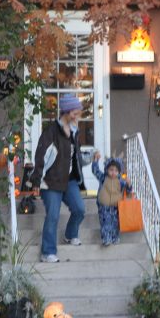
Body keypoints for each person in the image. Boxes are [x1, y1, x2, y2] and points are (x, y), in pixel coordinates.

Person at [29, 94, 86, 263]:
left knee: (79, 209)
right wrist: (36, 181)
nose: (77, 117)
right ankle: (48, 252)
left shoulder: (75, 131)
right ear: (67, 112)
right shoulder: (51, 132)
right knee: (53, 216)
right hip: (52, 181)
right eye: (75, 113)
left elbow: (75, 155)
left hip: (69, 180)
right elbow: (41, 156)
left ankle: (70, 234)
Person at [91, 152, 131, 246]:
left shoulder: (120, 181)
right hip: (104, 206)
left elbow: (128, 192)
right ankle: (106, 238)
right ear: (107, 169)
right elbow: (95, 171)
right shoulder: (103, 177)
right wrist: (95, 161)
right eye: (111, 170)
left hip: (115, 206)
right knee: (105, 223)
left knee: (115, 223)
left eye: (116, 171)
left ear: (119, 172)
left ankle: (115, 237)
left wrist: (129, 185)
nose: (113, 173)